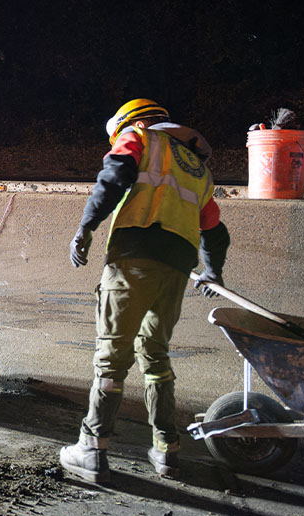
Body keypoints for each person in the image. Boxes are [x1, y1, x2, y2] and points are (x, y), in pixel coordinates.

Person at [60, 99, 230, 483]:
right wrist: (213, 273)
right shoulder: (196, 168)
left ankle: (92, 449)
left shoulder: (138, 138)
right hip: (176, 269)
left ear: (129, 122)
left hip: (134, 256)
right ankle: (167, 450)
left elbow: (115, 175)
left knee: (111, 357)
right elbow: (214, 230)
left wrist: (86, 227)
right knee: (155, 355)